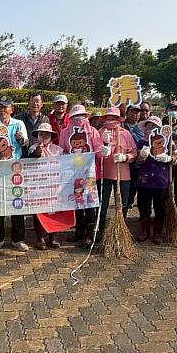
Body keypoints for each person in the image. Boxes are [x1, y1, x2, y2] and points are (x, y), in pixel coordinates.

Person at [0, 95, 29, 252]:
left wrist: (21, 140)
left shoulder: (19, 124)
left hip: (15, 170)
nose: (3, 110)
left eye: (6, 107)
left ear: (11, 109)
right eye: (0, 107)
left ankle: (18, 239)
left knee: (17, 202)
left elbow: (26, 144)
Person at [59, 104, 103, 248]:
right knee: (77, 203)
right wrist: (66, 156)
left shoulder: (92, 131)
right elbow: (62, 149)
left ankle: (90, 234)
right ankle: (79, 231)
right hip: (73, 174)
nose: (79, 119)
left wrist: (104, 150)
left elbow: (98, 151)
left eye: (82, 116)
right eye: (75, 116)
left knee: (89, 203)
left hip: (90, 173)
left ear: (86, 117)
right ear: (70, 117)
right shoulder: (65, 132)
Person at [135, 116, 177, 244]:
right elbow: (136, 161)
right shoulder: (141, 142)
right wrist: (141, 156)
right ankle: (144, 232)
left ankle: (158, 233)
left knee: (160, 207)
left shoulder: (168, 142)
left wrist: (169, 158)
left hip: (161, 180)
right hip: (144, 181)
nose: (151, 128)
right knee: (143, 207)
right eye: (149, 126)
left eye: (154, 126)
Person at [97, 107, 136, 239]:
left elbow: (134, 152)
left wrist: (125, 157)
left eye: (113, 118)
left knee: (122, 205)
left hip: (123, 175)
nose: (111, 120)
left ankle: (120, 231)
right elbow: (95, 153)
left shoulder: (125, 134)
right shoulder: (100, 132)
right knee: (103, 205)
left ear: (119, 119)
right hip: (104, 175)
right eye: (108, 118)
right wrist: (103, 148)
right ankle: (100, 231)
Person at [27, 122, 67, 250]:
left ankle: (53, 237)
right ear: (37, 135)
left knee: (54, 211)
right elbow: (29, 161)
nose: (44, 137)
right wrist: (36, 153)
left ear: (51, 136)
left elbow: (66, 163)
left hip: (54, 185)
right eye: (41, 134)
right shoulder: (32, 148)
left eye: (47, 135)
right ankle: (40, 238)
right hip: (38, 186)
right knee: (38, 211)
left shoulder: (57, 150)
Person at [15, 92, 50, 156]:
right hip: (22, 155)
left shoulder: (45, 119)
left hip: (38, 155)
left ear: (41, 104)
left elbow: (47, 138)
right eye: (32, 101)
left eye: (37, 101)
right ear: (28, 103)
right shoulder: (19, 118)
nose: (35, 104)